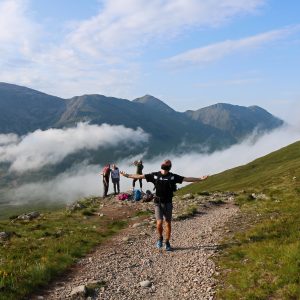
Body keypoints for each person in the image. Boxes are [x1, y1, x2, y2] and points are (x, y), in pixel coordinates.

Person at [121, 159, 208, 251]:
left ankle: (167, 242)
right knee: (159, 223)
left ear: (169, 166)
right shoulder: (155, 175)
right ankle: (160, 238)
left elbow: (186, 179)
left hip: (168, 203)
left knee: (168, 223)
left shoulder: (172, 177)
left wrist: (200, 179)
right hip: (158, 202)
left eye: (166, 164)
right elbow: (140, 176)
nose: (164, 164)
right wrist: (127, 175)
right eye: (164, 163)